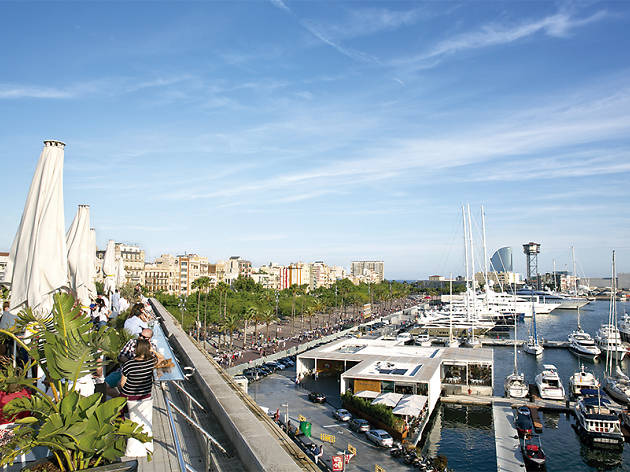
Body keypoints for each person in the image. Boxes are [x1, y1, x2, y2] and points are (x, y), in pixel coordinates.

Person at [119, 338, 156, 457]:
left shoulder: (129, 364)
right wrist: (153, 351)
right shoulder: (151, 362)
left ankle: (132, 449)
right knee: (145, 422)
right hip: (145, 396)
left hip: (130, 397)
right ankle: (147, 447)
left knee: (133, 421)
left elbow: (122, 384)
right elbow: (163, 360)